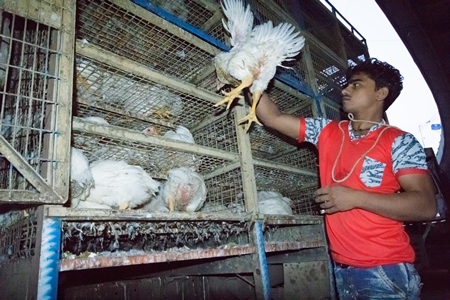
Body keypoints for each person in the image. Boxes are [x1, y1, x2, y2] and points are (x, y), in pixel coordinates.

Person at [250, 58, 437, 299]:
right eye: (347, 84)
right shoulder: (328, 131)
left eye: (356, 85)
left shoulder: (400, 141)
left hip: (385, 272)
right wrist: (253, 78)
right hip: (343, 271)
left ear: (381, 93)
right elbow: (272, 118)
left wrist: (354, 198)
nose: (345, 90)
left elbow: (425, 205)